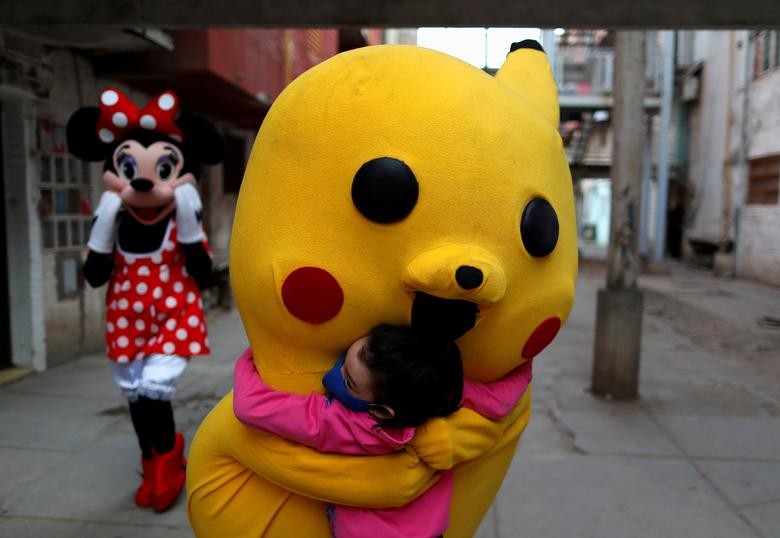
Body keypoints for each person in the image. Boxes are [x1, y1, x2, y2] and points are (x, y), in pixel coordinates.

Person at [67, 88, 224, 512]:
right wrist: (101, 227)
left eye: (164, 168)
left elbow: (203, 273)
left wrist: (191, 223)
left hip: (175, 317)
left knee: (155, 393)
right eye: (129, 167)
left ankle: (166, 471)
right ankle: (155, 460)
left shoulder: (181, 220)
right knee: (137, 398)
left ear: (180, 171)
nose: (143, 181)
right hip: (126, 323)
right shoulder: (115, 222)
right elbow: (96, 276)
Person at [233, 324, 533, 537]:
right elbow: (498, 399)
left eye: (348, 381)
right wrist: (523, 362)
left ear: (381, 411)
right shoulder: (438, 393)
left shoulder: (348, 425)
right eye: (344, 359)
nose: (333, 376)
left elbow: (249, 406)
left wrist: (253, 355)